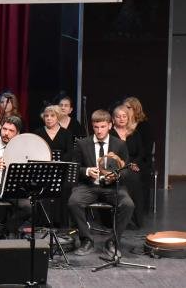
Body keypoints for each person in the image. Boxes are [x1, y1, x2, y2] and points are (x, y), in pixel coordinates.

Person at [69, 110, 134, 257]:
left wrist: (116, 175)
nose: (99, 131)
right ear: (92, 126)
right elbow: (74, 167)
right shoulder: (82, 144)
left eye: (103, 127)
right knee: (74, 202)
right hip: (89, 186)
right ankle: (87, 240)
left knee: (128, 204)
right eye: (96, 127)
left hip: (112, 187)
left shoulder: (120, 144)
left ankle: (112, 241)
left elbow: (126, 170)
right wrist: (87, 171)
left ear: (110, 125)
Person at [110, 104, 145, 228]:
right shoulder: (109, 134)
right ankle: (122, 220)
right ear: (113, 119)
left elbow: (141, 153)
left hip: (132, 166)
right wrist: (125, 164)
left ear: (128, 118)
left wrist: (134, 163)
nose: (121, 119)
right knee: (128, 178)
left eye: (124, 116)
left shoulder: (134, 133)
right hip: (115, 166)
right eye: (118, 116)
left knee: (135, 178)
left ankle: (135, 220)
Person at [123, 96, 153, 215]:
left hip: (141, 160)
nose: (124, 109)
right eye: (123, 107)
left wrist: (134, 162)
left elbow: (146, 150)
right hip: (125, 159)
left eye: (128, 107)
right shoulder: (122, 124)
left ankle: (138, 210)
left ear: (135, 109)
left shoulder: (144, 126)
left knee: (137, 174)